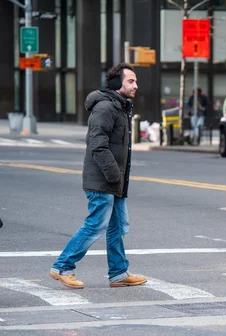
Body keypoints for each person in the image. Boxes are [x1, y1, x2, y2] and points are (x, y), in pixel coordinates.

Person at [49, 63, 146, 289]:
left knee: (117, 226)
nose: (136, 86)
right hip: (104, 180)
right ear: (115, 83)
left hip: (114, 181)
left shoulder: (120, 107)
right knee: (95, 225)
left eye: (136, 81)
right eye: (131, 81)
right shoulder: (105, 108)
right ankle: (62, 266)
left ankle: (119, 272)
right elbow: (97, 145)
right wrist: (113, 174)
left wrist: (118, 179)